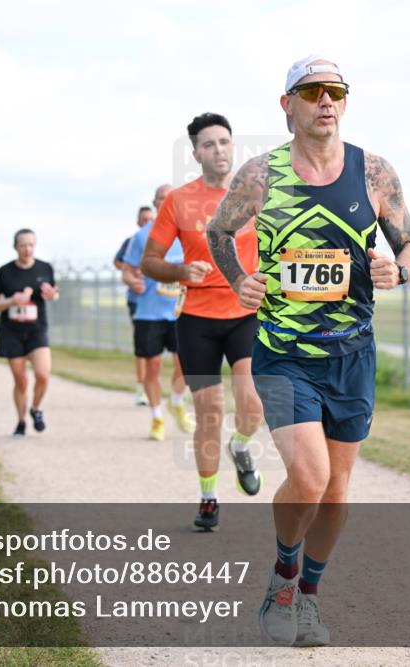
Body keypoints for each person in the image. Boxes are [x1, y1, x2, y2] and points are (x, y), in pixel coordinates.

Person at [206, 56, 410, 647]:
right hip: (283, 352)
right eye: (312, 91)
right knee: (309, 473)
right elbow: (219, 232)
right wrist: (238, 280)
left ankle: (308, 596)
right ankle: (281, 578)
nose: (325, 101)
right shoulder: (262, 174)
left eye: (336, 91)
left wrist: (397, 270)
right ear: (289, 105)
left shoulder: (374, 173)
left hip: (352, 354)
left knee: (336, 490)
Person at [140, 113, 265, 532]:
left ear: (233, 146)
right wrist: (179, 272)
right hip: (196, 319)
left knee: (253, 401)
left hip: (246, 312)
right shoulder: (178, 201)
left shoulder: (256, 194)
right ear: (196, 153)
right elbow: (150, 262)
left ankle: (241, 446)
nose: (218, 150)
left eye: (224, 142)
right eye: (209, 144)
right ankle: (209, 497)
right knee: (209, 410)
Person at [122, 204, 193, 440]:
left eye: (169, 198)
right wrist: (133, 282)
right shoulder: (142, 236)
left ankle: (175, 401)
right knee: (153, 367)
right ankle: (157, 417)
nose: (165, 202)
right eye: (161, 198)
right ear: (155, 203)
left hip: (180, 310)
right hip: (148, 312)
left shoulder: (187, 231)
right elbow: (127, 270)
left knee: (185, 365)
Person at [0, 229, 59, 437]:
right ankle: (20, 421)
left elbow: (54, 292)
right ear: (15, 247)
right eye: (23, 245)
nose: (28, 249)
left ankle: (36, 409)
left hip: (37, 330)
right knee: (21, 381)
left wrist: (53, 295)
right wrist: (11, 301)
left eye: (31, 245)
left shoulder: (45, 268)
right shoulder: (4, 272)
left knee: (43, 375)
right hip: (12, 331)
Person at [114, 204, 156, 406]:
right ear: (138, 221)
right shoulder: (133, 241)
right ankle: (141, 388)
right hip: (138, 301)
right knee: (143, 348)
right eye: (144, 219)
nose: (147, 222)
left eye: (151, 218)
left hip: (162, 301)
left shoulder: (163, 239)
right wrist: (132, 271)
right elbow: (118, 261)